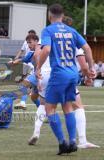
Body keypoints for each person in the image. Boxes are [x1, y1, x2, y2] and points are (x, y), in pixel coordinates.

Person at [35, 4, 96, 155]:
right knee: (68, 107)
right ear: (62, 16)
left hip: (59, 74)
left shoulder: (48, 30)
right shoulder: (71, 30)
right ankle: (73, 141)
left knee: (49, 108)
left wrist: (38, 67)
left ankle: (63, 142)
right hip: (73, 74)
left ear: (49, 16)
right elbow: (87, 48)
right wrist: (92, 67)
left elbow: (47, 49)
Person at [9, 34, 41, 110]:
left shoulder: (43, 50)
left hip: (44, 75)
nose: (28, 45)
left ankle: (22, 102)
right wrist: (13, 62)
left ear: (36, 41)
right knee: (34, 97)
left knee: (25, 83)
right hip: (38, 75)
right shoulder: (31, 53)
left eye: (30, 42)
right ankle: (45, 114)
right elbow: (23, 59)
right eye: (27, 43)